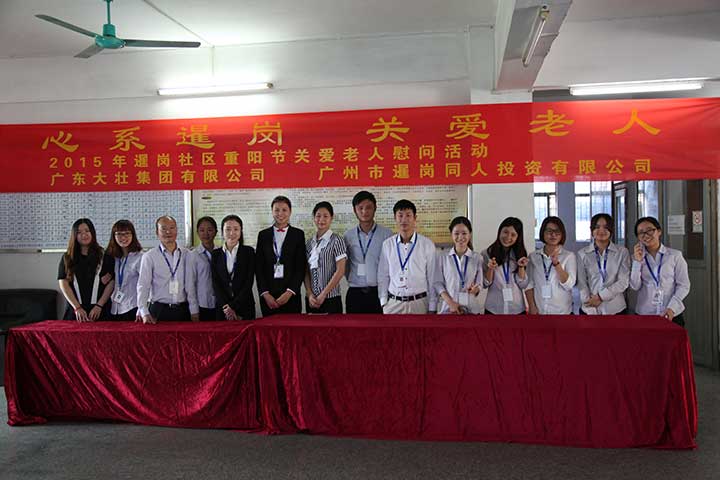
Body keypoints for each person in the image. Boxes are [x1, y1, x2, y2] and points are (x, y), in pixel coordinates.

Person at [378, 199, 438, 314]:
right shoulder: (387, 245)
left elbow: (432, 277)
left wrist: (432, 306)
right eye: (400, 215)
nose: (404, 220)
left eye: (408, 215)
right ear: (395, 218)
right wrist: (383, 302)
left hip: (419, 303)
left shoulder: (427, 244)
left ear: (415, 218)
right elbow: (383, 275)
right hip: (393, 304)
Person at [137, 215, 199, 323]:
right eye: (163, 229)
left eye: (172, 228)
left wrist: (194, 310)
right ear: (157, 232)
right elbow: (143, 285)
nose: (168, 232)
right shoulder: (149, 256)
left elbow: (190, 285)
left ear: (177, 230)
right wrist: (143, 311)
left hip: (182, 310)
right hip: (158, 310)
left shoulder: (187, 254)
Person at [630, 216, 691, 325]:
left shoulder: (675, 255)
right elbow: (635, 286)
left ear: (659, 231)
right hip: (644, 313)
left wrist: (672, 307)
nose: (646, 235)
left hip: (671, 313)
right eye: (641, 232)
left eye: (649, 230)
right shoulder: (636, 257)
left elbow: (684, 285)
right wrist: (637, 262)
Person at [255, 196, 306, 316]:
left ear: (290, 211)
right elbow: (259, 267)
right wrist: (265, 293)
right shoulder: (263, 235)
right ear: (272, 211)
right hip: (269, 297)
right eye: (276, 210)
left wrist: (289, 292)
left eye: (284, 210)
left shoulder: (298, 234)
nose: (280, 213)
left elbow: (300, 266)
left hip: (291, 296)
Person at [343, 191, 392, 314]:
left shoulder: (387, 234)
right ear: (355, 210)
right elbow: (345, 265)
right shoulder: (348, 235)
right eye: (360, 208)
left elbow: (390, 264)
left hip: (378, 292)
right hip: (355, 293)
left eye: (368, 207)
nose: (364, 211)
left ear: (375, 208)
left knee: (379, 326)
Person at [57, 218, 114, 322]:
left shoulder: (105, 256)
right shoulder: (67, 257)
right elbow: (63, 283)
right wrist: (77, 308)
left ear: (92, 233)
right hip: (75, 311)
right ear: (75, 235)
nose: (84, 235)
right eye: (79, 232)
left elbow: (111, 283)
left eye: (87, 231)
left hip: (99, 311)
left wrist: (99, 305)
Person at [576, 213, 630, 315]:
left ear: (611, 230)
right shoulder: (582, 254)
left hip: (615, 309)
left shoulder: (622, 252)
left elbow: (623, 281)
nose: (601, 231)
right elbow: (581, 282)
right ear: (592, 230)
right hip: (589, 309)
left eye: (605, 227)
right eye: (597, 227)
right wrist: (589, 302)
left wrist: (601, 297)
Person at [525, 216, 576, 315]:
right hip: (539, 311)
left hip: (562, 312)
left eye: (557, 231)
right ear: (542, 233)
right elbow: (529, 284)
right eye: (549, 231)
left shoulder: (569, 256)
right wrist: (532, 306)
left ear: (562, 234)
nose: (553, 235)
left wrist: (556, 264)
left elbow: (569, 285)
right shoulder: (533, 256)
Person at [304, 202, 347, 314]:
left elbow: (340, 271)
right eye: (318, 216)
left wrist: (323, 294)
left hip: (331, 299)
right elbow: (306, 271)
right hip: (312, 300)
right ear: (314, 218)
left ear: (331, 218)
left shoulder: (337, 240)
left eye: (325, 216)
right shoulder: (309, 243)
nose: (321, 220)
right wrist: (309, 294)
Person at [210, 215, 256, 320]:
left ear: (241, 231)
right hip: (223, 309)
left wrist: (233, 306)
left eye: (236, 229)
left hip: (245, 306)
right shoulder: (216, 254)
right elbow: (216, 283)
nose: (232, 233)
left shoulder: (249, 252)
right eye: (228, 229)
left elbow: (248, 282)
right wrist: (227, 308)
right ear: (222, 232)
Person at [434, 216, 483, 314]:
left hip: (471, 309)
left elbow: (480, 283)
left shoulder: (477, 258)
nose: (460, 237)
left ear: (470, 234)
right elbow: (438, 283)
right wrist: (451, 303)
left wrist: (476, 289)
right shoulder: (443, 257)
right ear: (451, 235)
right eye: (456, 233)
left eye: (464, 233)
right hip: (449, 309)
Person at [481, 217, 530, 314]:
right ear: (500, 231)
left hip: (516, 308)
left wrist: (521, 267)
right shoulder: (487, 253)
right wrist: (490, 268)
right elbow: (485, 284)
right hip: (494, 308)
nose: (508, 237)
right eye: (505, 232)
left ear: (518, 237)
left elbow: (523, 284)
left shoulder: (520, 255)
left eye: (513, 235)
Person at [105, 219, 144, 321]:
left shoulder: (140, 257)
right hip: (115, 307)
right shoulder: (114, 258)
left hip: (133, 307)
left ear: (133, 235)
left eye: (127, 233)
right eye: (119, 234)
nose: (123, 237)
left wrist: (142, 308)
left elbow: (145, 284)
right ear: (114, 236)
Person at [192, 216, 218, 321]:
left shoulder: (221, 252)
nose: (206, 234)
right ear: (197, 233)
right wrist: (193, 309)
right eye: (202, 230)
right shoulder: (193, 255)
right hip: (201, 305)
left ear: (216, 232)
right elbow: (191, 284)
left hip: (221, 304)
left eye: (210, 230)